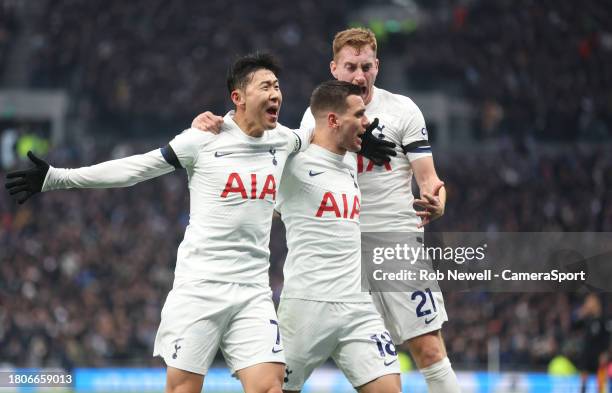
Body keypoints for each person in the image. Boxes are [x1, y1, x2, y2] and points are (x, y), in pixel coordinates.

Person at [5, 53, 307, 393]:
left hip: (253, 292)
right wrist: (57, 177)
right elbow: (136, 168)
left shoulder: (285, 140)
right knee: (182, 389)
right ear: (238, 98)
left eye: (278, 87)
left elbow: (320, 131)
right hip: (200, 288)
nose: (276, 94)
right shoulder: (202, 140)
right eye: (265, 86)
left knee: (270, 387)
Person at [191, 29, 460, 392]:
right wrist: (220, 125)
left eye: (366, 66)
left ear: (377, 66)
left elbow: (429, 180)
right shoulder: (314, 119)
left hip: (393, 244)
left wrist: (436, 201)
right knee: (285, 377)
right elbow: (277, 157)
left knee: (429, 349)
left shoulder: (403, 110)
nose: (359, 75)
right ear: (334, 68)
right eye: (351, 67)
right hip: (335, 255)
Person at [276, 80, 400, 393]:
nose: (367, 122)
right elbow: (248, 140)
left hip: (357, 305)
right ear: (333, 120)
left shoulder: (349, 162)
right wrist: (214, 124)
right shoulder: (291, 164)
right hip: (305, 307)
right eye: (359, 114)